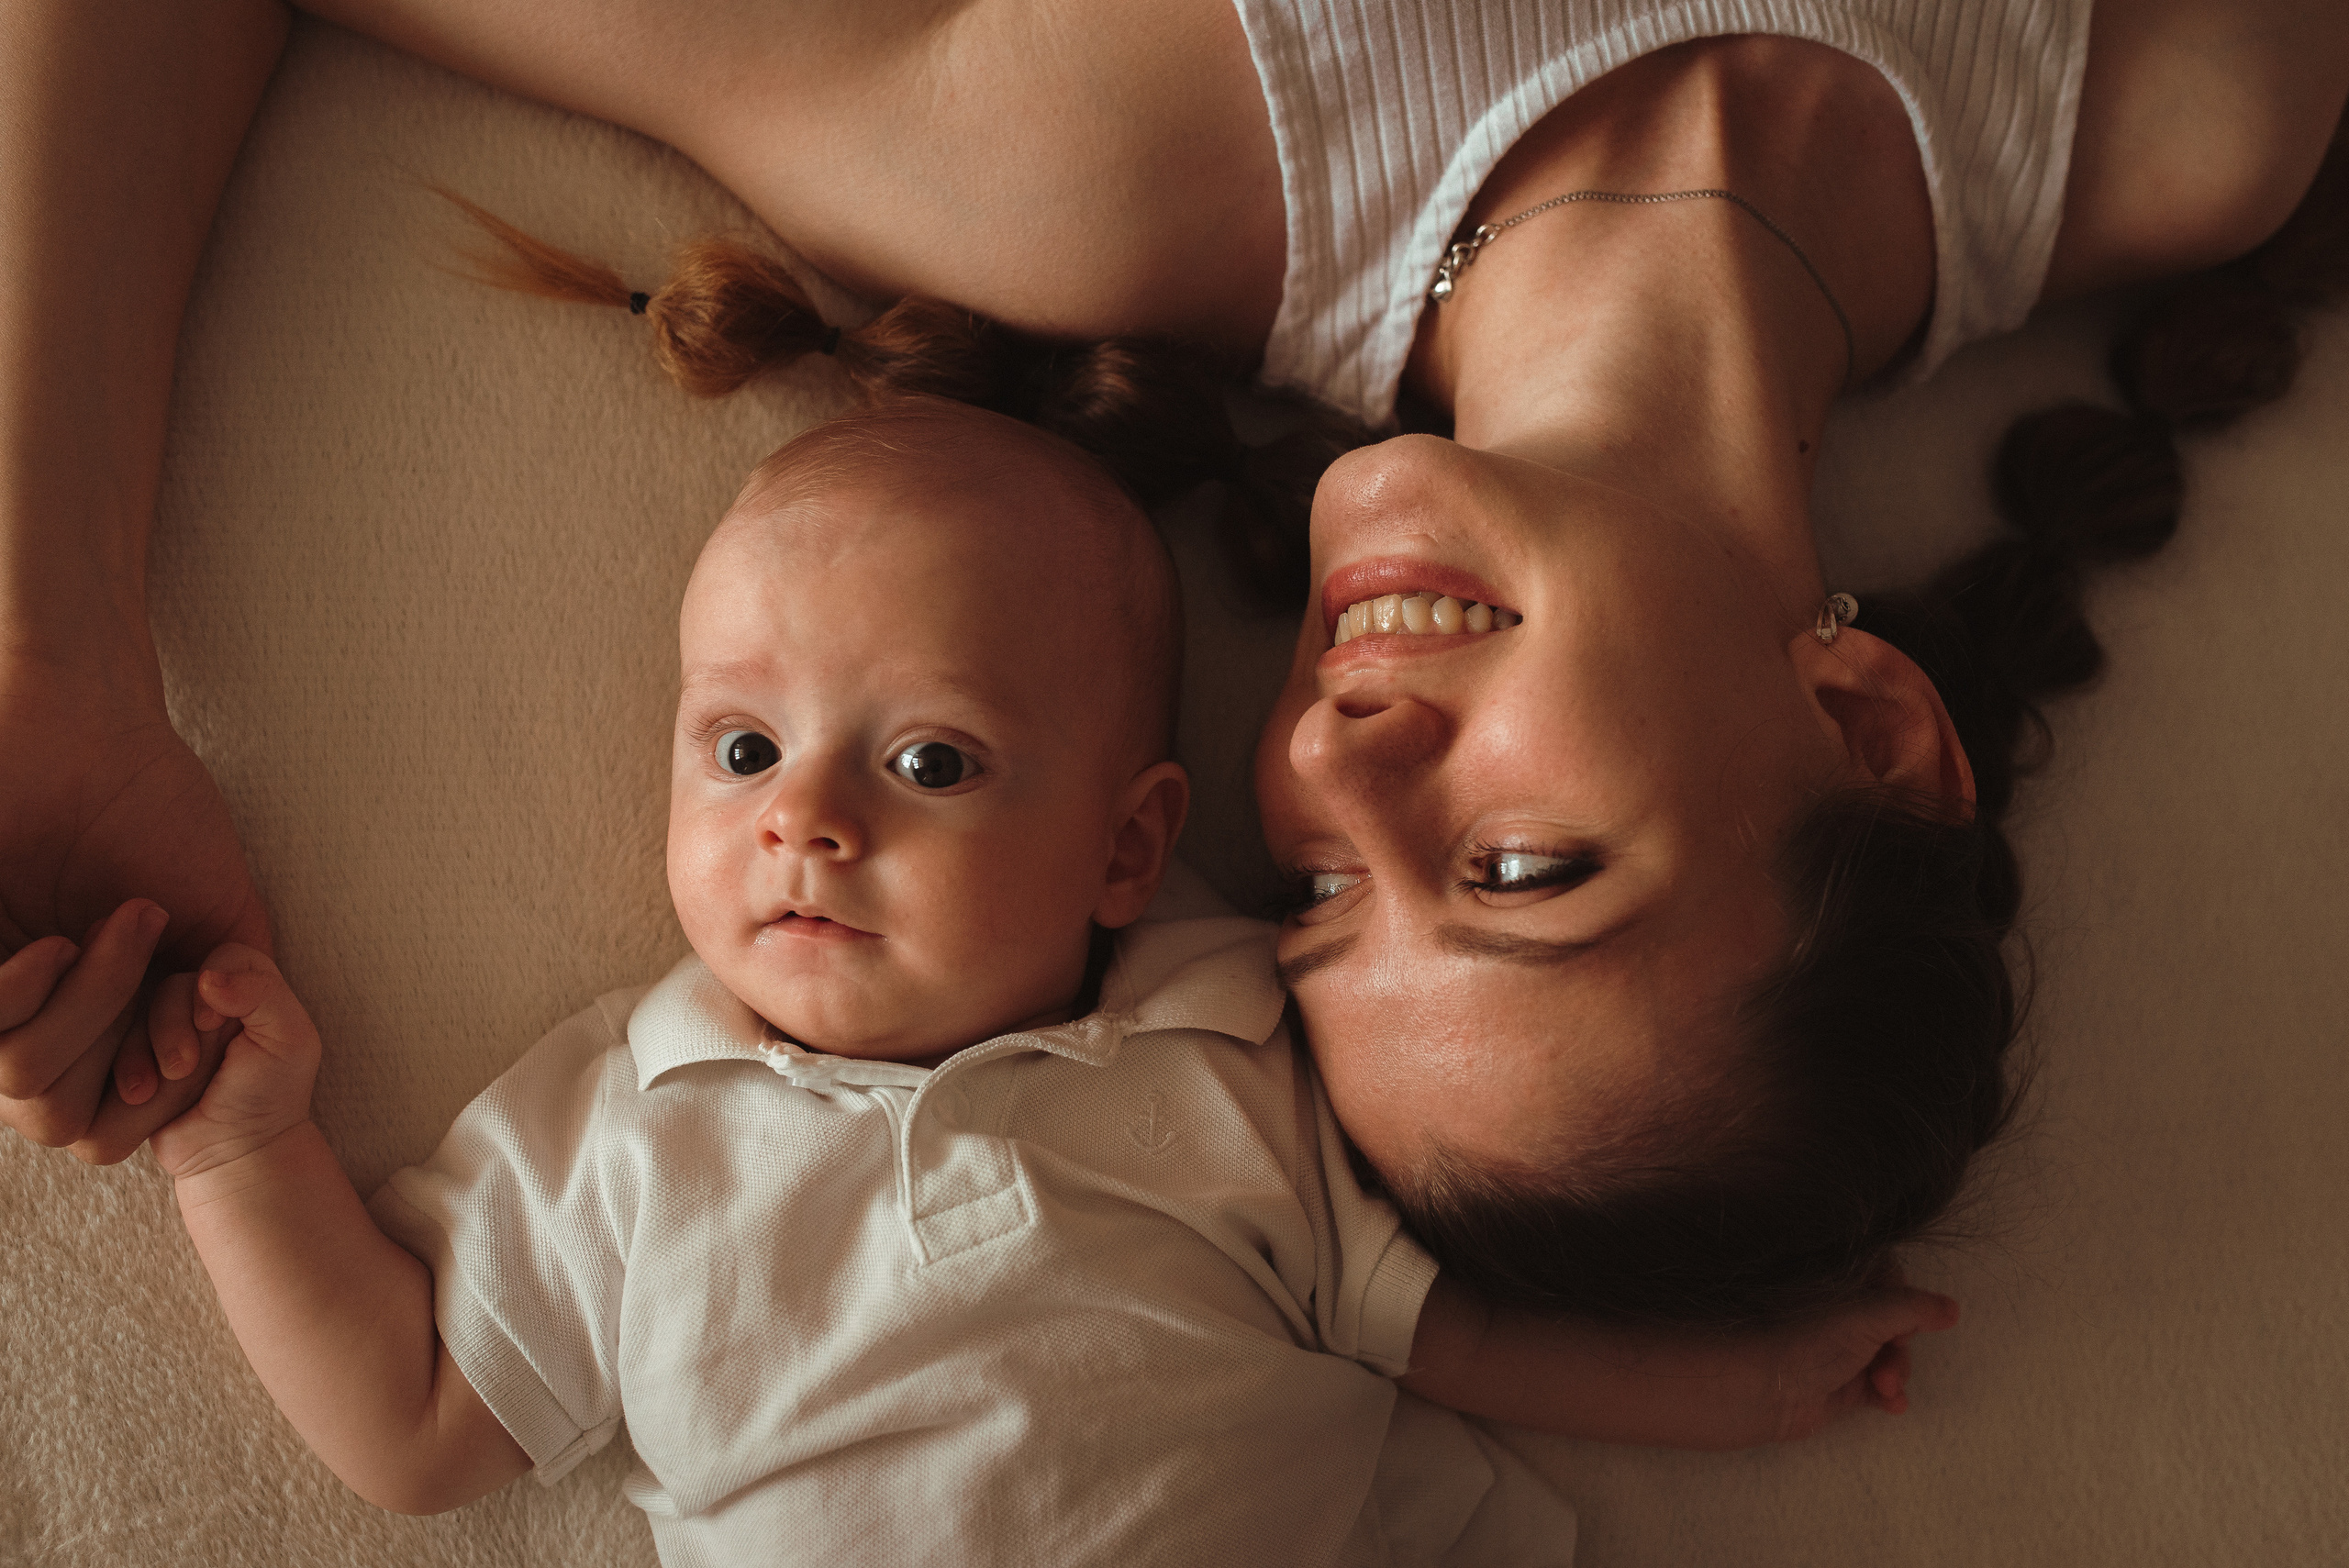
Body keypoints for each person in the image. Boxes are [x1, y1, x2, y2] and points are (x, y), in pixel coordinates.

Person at [4, 0, 2343, 1323]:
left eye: (1316, 899)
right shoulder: (2183, 101)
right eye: (1522, 870)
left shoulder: (1063, 156)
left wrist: (54, 658)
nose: (1336, 765)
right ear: (1865, 722)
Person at [137, 397, 1954, 1562]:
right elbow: (415, 1424)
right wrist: (237, 1155)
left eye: (930, 764)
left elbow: (1457, 1340)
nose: (808, 825)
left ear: (1123, 847)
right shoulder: (633, 1124)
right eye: (743, 749)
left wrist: (1743, 1385)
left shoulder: (1240, 1055)